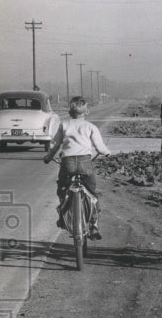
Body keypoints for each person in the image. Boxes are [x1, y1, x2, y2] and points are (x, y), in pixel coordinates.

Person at [43, 96, 111, 238]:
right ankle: (93, 225)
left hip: (67, 163)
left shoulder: (64, 125)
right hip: (85, 162)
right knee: (92, 192)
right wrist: (107, 152)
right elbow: (100, 147)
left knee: (62, 188)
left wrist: (48, 157)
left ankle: (62, 216)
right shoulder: (90, 127)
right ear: (86, 112)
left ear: (70, 112)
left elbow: (55, 145)